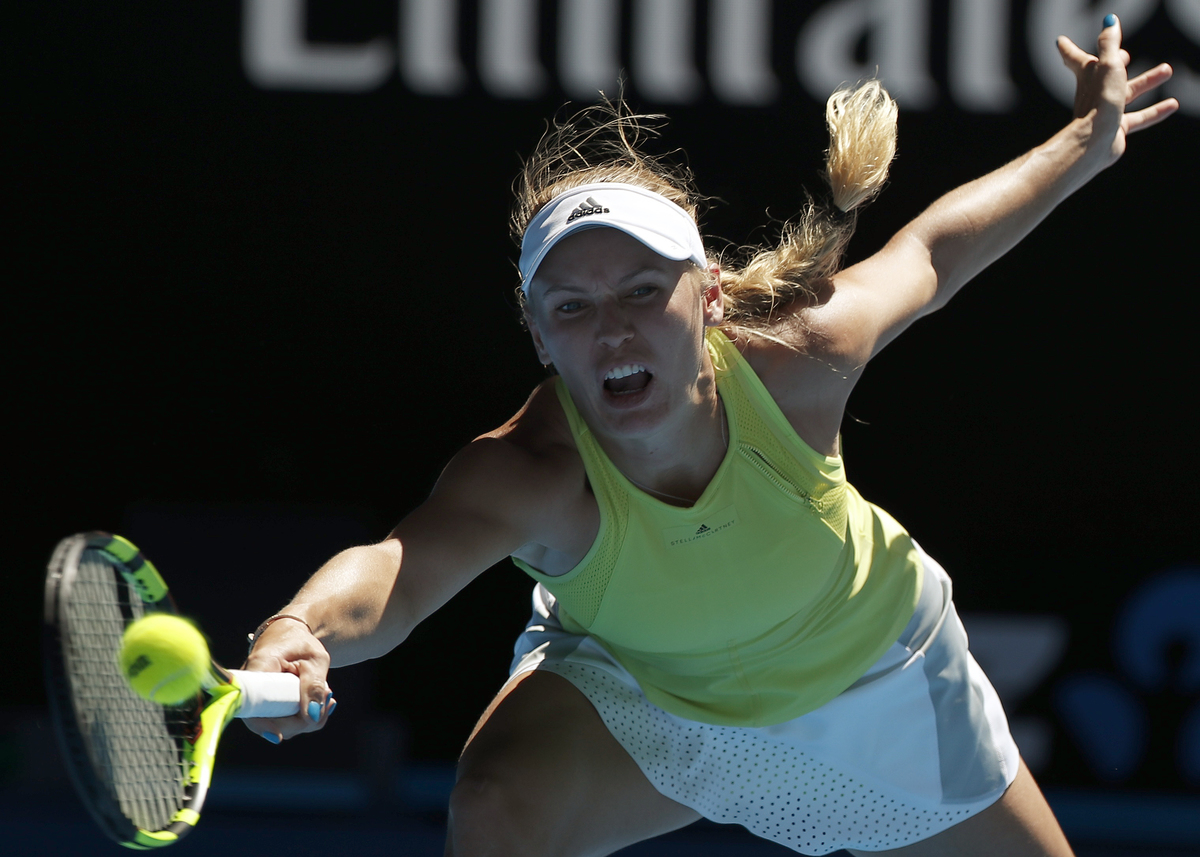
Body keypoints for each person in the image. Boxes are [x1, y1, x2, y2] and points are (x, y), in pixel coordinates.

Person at [242, 17, 1176, 856]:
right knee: (497, 805)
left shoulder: (798, 360)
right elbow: (396, 572)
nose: (612, 330)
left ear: (711, 297)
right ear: (539, 335)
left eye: (643, 291)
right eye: (572, 307)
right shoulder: (532, 471)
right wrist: (298, 628)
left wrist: (1084, 143)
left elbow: (931, 251)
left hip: (876, 681)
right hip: (649, 695)